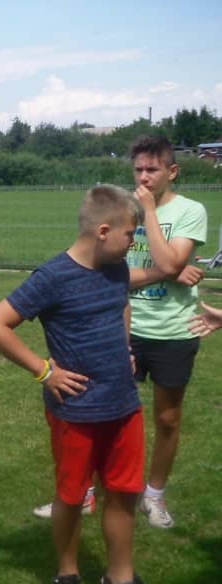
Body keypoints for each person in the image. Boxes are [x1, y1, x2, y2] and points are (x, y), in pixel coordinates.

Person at [0, 185, 177, 584]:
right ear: (103, 231)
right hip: (77, 411)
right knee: (71, 496)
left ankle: (120, 579)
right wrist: (44, 371)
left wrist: (124, 348)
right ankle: (67, 574)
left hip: (123, 405)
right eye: (130, 234)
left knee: (123, 491)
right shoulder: (53, 276)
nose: (133, 243)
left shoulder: (116, 269)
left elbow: (149, 281)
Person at [125, 135, 208, 529]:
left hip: (174, 330)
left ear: (172, 171)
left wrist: (148, 213)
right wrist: (170, 271)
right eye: (138, 169)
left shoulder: (191, 210)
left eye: (152, 169)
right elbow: (111, 270)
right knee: (101, 412)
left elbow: (169, 259)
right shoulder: (122, 207)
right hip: (123, 326)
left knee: (168, 418)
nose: (144, 177)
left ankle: (153, 496)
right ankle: (86, 490)